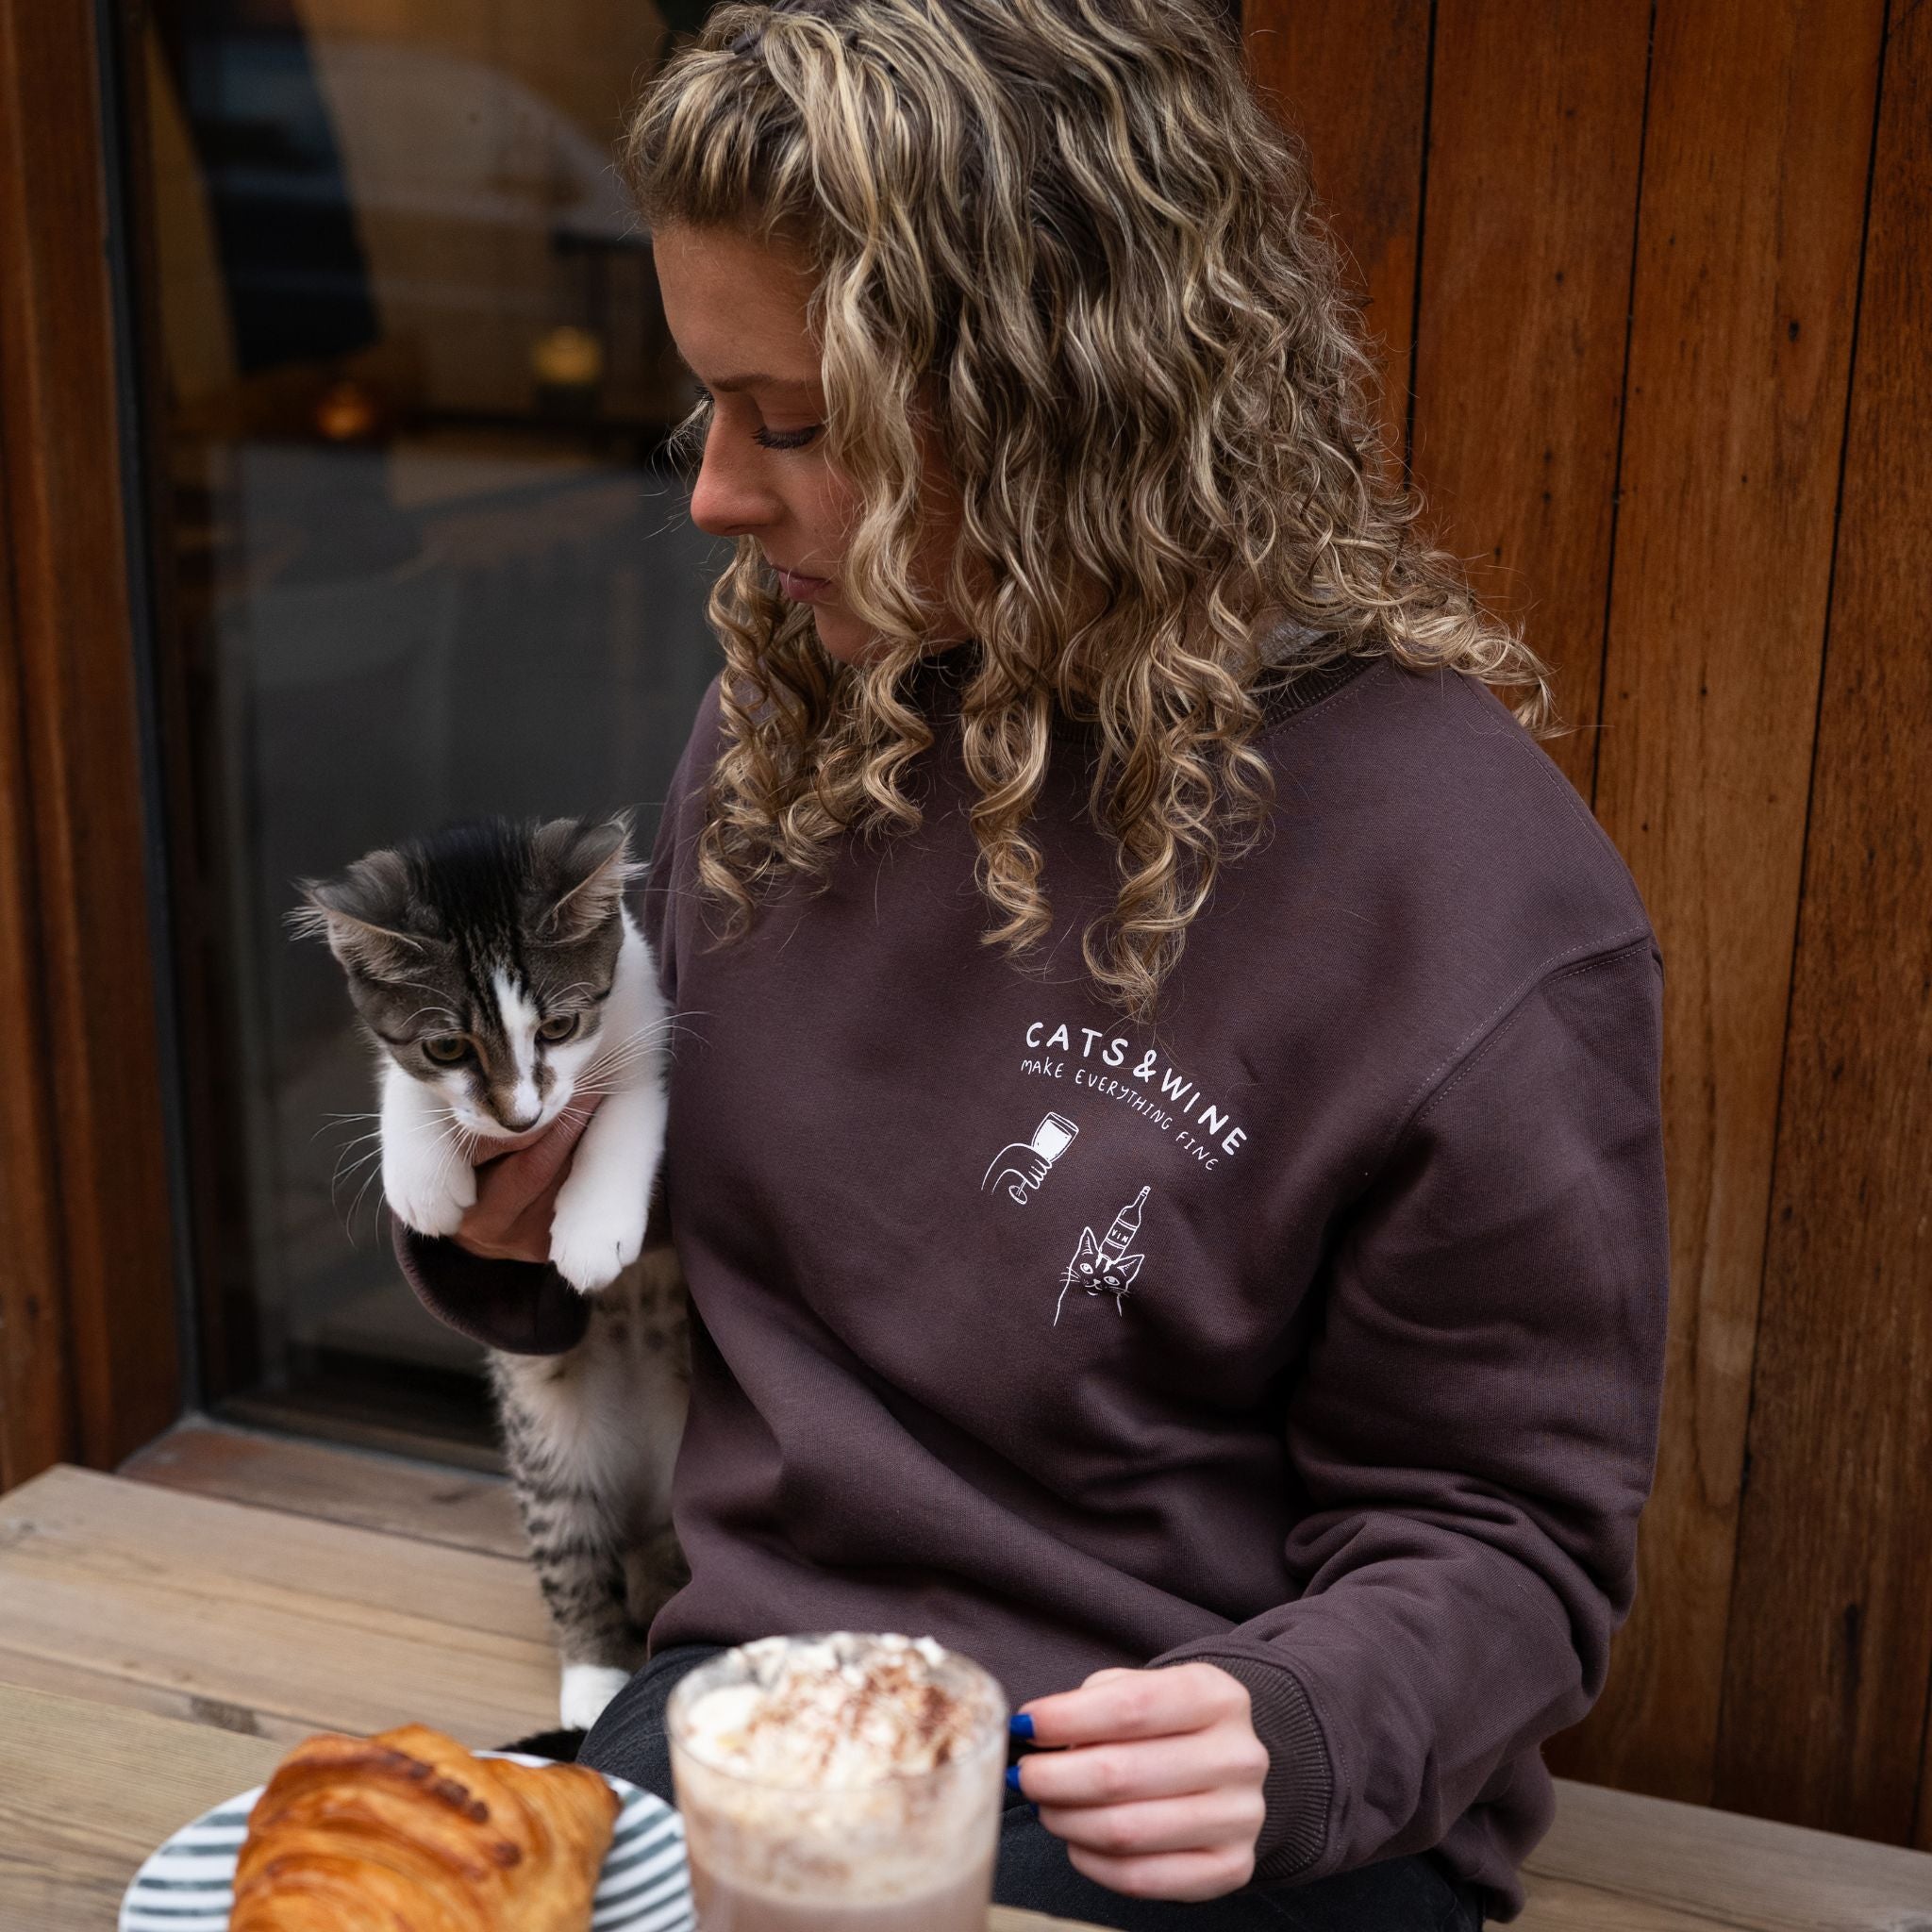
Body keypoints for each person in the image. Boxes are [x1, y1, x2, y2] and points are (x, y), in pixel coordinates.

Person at [391, 2, 1669, 1924]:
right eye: (707, 407)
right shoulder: (801, 719)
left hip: (1187, 1811)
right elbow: (679, 1226)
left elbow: (1508, 1536)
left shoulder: (1467, 896)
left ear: (1058, 401)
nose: (714, 494)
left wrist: (1299, 1727)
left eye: (794, 423)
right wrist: (504, 1200)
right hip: (766, 1718)